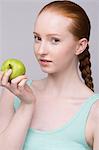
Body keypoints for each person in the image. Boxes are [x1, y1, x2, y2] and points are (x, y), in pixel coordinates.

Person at [0, 0, 99, 150]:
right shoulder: (13, 95)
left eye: (55, 40)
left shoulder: (95, 112)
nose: (41, 50)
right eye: (38, 38)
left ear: (80, 46)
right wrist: (27, 105)